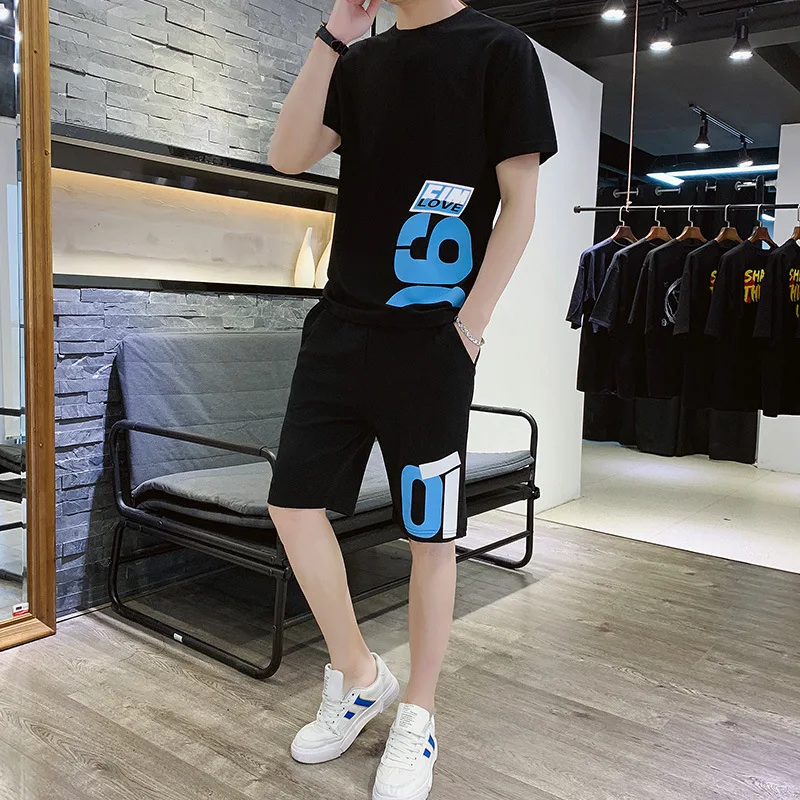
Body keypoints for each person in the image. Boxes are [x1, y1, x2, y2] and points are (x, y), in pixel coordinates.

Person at [266, 0, 557, 796]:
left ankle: (419, 715)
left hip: (432, 341)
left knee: (431, 533)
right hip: (338, 330)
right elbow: (287, 155)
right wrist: (335, 34)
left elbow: (520, 202)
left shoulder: (501, 51)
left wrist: (472, 325)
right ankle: (359, 675)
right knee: (292, 505)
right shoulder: (360, 61)